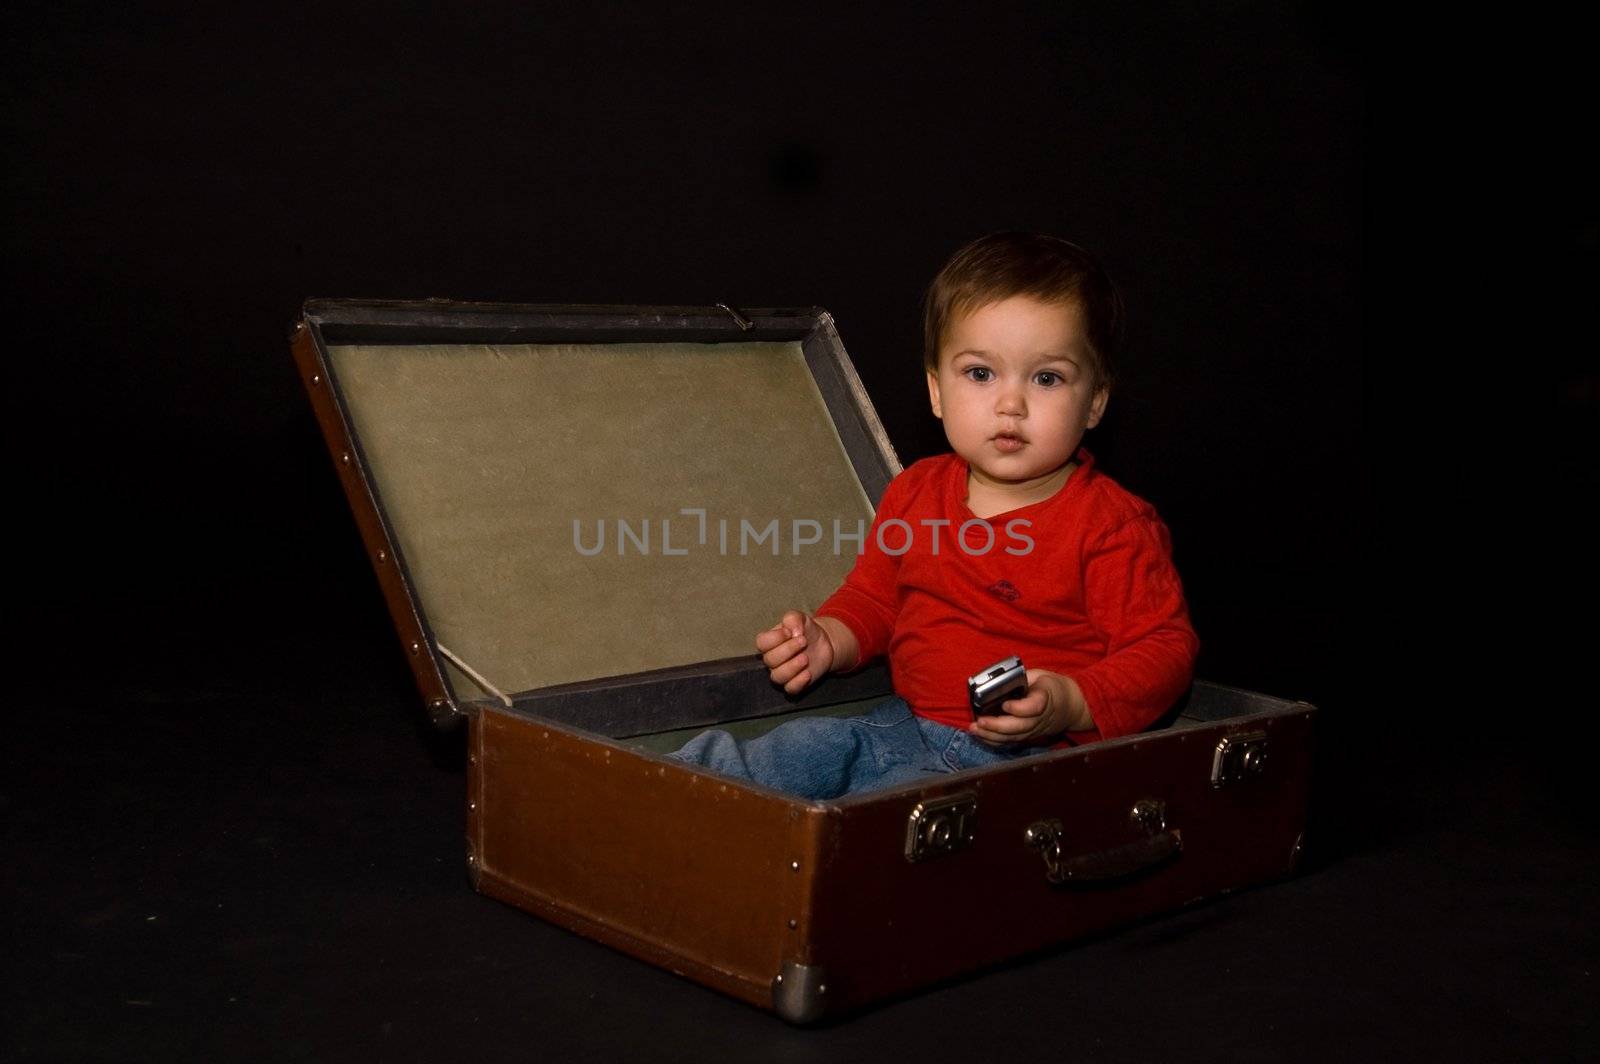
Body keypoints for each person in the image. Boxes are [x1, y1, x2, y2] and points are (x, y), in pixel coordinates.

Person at [667, 231, 1199, 799]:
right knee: (794, 749)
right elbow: (875, 600)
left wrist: (1071, 701)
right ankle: (646, 790)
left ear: (1094, 401)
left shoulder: (1112, 525)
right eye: (980, 373)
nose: (1010, 403)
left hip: (1029, 761)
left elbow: (1164, 651)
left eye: (1047, 378)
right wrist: (830, 639)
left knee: (887, 814)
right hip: (903, 724)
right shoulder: (916, 491)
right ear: (936, 390)